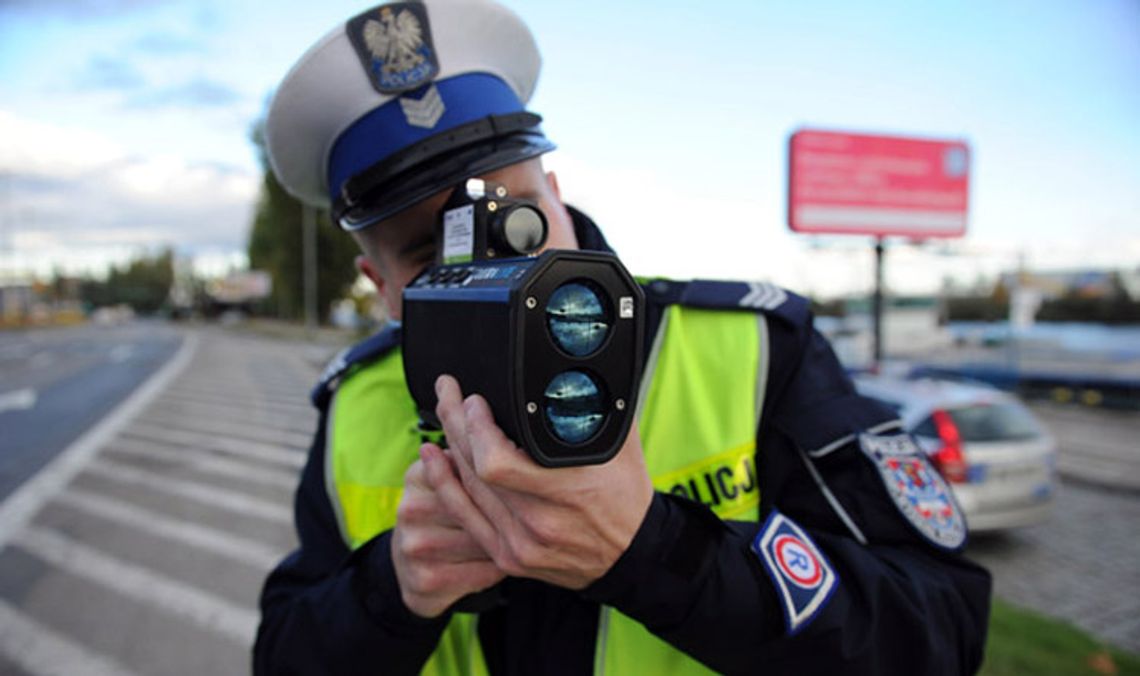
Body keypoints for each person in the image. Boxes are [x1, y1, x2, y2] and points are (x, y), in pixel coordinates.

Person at [254, 1, 992, 674]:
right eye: (431, 254)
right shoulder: (354, 404)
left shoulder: (754, 350)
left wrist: (658, 552)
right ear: (379, 286)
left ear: (558, 199)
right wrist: (392, 588)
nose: (490, 271)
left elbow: (938, 630)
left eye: (518, 221)